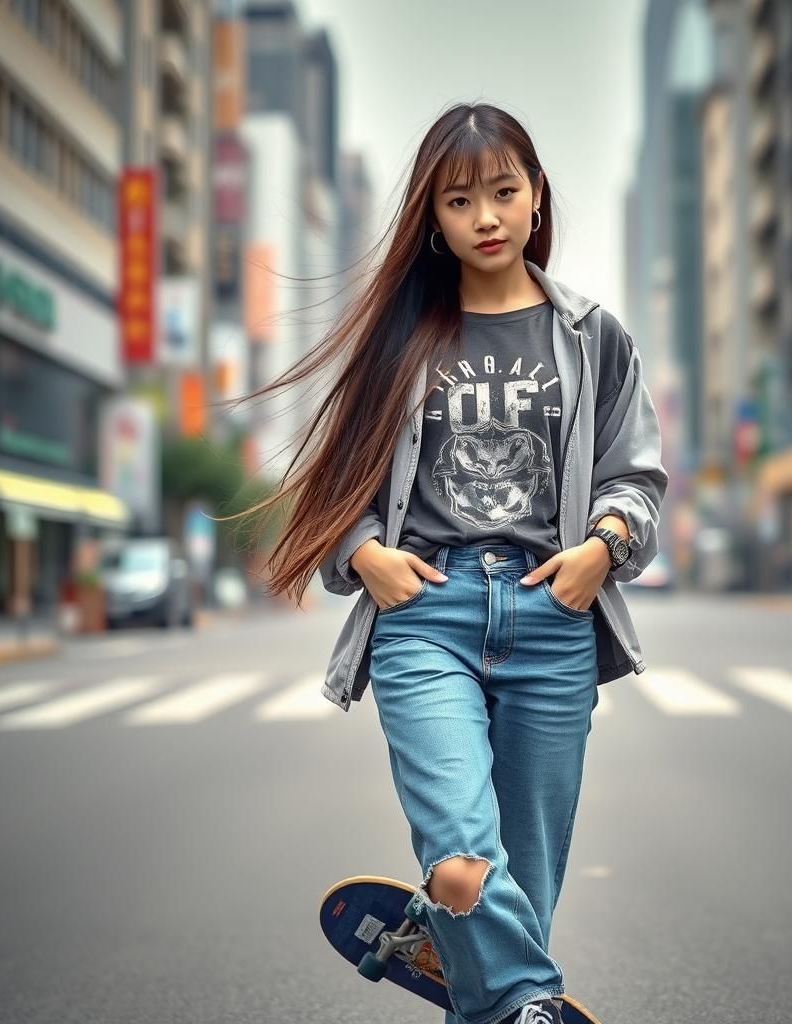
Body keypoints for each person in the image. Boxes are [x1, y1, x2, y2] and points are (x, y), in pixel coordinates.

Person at [231, 104, 668, 1024]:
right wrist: (365, 557)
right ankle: (518, 988)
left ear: (536, 194)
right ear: (433, 215)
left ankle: (484, 988)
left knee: (527, 886)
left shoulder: (594, 338)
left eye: (505, 191)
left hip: (553, 614)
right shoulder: (400, 338)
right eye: (461, 198)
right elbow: (331, 483)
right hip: (426, 613)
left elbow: (637, 474)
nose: (487, 215)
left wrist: (604, 549)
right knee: (465, 863)